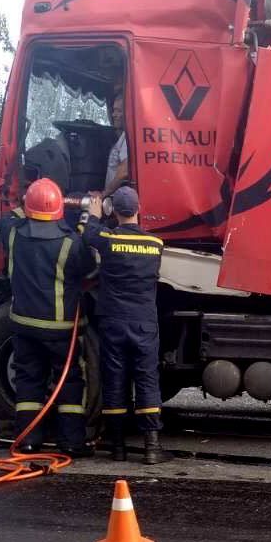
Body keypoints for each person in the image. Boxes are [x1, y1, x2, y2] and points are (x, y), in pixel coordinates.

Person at [1, 177, 96, 456]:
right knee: (69, 382)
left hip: (23, 325)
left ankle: (29, 440)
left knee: (29, 380)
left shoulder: (12, 234)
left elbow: (9, 217)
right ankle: (72, 442)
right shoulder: (70, 243)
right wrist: (84, 216)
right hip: (61, 329)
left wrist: (27, 203)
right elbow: (89, 270)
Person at [82, 185, 170, 464]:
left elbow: (88, 235)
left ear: (114, 212)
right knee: (146, 380)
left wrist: (93, 214)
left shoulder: (108, 238)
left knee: (115, 381)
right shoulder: (155, 244)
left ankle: (117, 447)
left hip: (113, 322)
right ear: (139, 210)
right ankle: (152, 448)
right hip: (144, 323)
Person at [103, 91, 128, 197]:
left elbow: (123, 172)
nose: (114, 115)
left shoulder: (128, 138)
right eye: (113, 111)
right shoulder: (122, 137)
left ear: (127, 112)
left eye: (118, 111)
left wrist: (103, 194)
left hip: (116, 200)